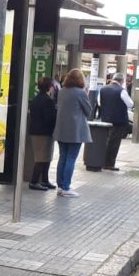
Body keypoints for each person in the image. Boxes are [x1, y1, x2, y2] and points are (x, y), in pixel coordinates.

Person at [52, 68, 92, 198]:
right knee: (71, 158)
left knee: (63, 157)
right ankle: (66, 187)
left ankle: (60, 186)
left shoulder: (62, 91)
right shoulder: (81, 93)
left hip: (62, 129)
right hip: (75, 130)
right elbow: (88, 111)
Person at [97, 72, 134, 171]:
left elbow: (99, 103)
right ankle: (109, 163)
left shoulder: (103, 89)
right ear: (121, 81)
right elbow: (130, 104)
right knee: (114, 143)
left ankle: (101, 161)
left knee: (106, 141)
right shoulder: (122, 91)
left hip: (105, 120)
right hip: (118, 121)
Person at [28, 77, 57, 190]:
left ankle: (44, 180)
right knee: (41, 158)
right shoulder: (48, 101)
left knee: (45, 157)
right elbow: (49, 118)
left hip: (35, 131)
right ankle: (34, 181)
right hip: (44, 132)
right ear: (50, 87)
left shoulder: (36, 99)